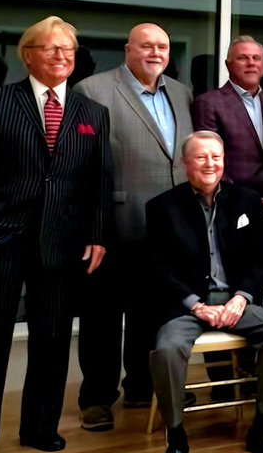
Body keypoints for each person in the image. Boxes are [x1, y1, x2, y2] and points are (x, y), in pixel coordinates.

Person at [0, 16, 111, 453]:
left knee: (53, 339)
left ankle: (40, 427)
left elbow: (99, 180)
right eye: (52, 49)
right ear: (28, 54)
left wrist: (97, 235)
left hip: (62, 246)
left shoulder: (91, 113)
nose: (62, 57)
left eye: (69, 51)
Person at [145, 132, 263, 453]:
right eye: (201, 157)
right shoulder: (162, 207)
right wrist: (196, 306)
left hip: (236, 300)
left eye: (216, 157)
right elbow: (158, 267)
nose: (210, 164)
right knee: (166, 350)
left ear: (224, 160)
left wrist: (242, 298)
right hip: (186, 305)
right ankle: (177, 438)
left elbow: (261, 259)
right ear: (185, 163)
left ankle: (262, 427)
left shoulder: (247, 201)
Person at [74, 22, 194, 430]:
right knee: (103, 318)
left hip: (166, 229)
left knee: (151, 313)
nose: (155, 52)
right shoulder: (93, 91)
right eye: (146, 46)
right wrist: (92, 229)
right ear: (128, 50)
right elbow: (82, 167)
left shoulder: (181, 92)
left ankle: (142, 388)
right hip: (115, 225)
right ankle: (97, 398)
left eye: (162, 46)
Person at [190, 35, 263, 202]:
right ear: (228, 65)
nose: (251, 63)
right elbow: (209, 159)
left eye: (256, 58)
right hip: (233, 201)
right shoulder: (209, 103)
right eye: (243, 58)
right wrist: (245, 199)